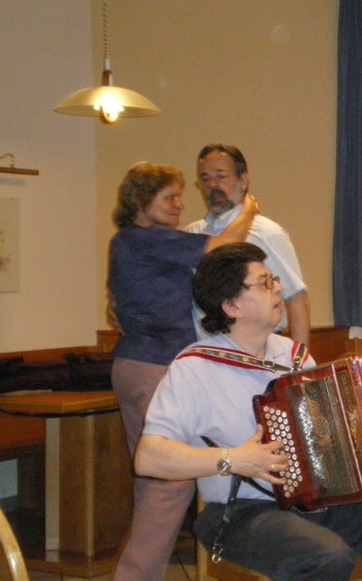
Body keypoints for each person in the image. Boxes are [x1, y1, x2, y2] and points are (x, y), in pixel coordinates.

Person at [134, 242, 362, 581]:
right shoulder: (193, 369)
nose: (278, 288)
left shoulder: (293, 356)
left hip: (312, 502)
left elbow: (323, 433)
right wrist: (233, 460)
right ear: (231, 306)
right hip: (240, 513)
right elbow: (148, 458)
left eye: (273, 279)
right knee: (328, 556)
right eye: (264, 283)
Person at [108, 161, 257, 581]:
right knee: (168, 482)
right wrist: (248, 208)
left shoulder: (131, 241)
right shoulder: (146, 238)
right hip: (152, 367)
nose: (178, 204)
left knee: (158, 480)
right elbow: (223, 246)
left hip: (140, 363)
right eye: (169, 197)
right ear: (142, 202)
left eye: (179, 197)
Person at [184, 143, 311, 346]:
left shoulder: (267, 233)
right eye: (205, 178)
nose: (212, 185)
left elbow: (296, 299)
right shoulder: (192, 234)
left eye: (221, 176)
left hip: (260, 351)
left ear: (243, 180)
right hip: (205, 352)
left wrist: (299, 362)